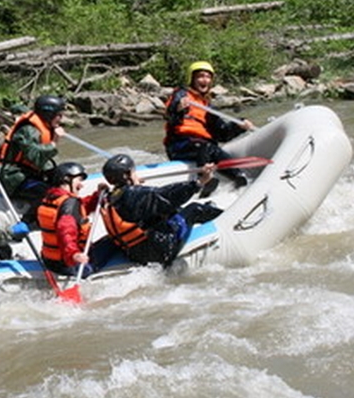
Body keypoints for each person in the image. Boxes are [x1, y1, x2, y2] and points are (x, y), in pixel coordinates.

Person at [90, 154, 223, 269]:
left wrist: (136, 186)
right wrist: (199, 182)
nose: (135, 174)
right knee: (195, 209)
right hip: (159, 249)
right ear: (126, 175)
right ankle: (227, 219)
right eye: (133, 171)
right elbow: (167, 195)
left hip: (135, 253)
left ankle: (210, 208)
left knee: (173, 211)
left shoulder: (111, 197)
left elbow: (136, 200)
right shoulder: (136, 194)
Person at [164, 61, 255, 190]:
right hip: (179, 145)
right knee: (205, 146)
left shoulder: (207, 106)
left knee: (216, 151)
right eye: (200, 76)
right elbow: (170, 116)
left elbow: (222, 134)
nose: (204, 80)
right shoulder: (181, 94)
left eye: (208, 77)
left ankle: (240, 179)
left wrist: (239, 126)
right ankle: (204, 181)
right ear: (192, 79)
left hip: (203, 147)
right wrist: (178, 108)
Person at [0, 94, 66, 222]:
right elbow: (35, 157)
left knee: (63, 176)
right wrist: (54, 142)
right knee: (47, 193)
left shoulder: (42, 126)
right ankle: (27, 223)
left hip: (30, 174)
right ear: (48, 114)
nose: (61, 118)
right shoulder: (28, 131)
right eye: (59, 115)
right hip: (14, 178)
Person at [35, 162, 105, 277]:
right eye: (79, 181)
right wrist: (74, 254)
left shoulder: (50, 198)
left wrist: (97, 196)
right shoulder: (69, 204)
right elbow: (66, 232)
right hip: (70, 265)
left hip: (49, 261)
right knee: (112, 242)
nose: (81, 185)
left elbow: (79, 209)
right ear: (67, 180)